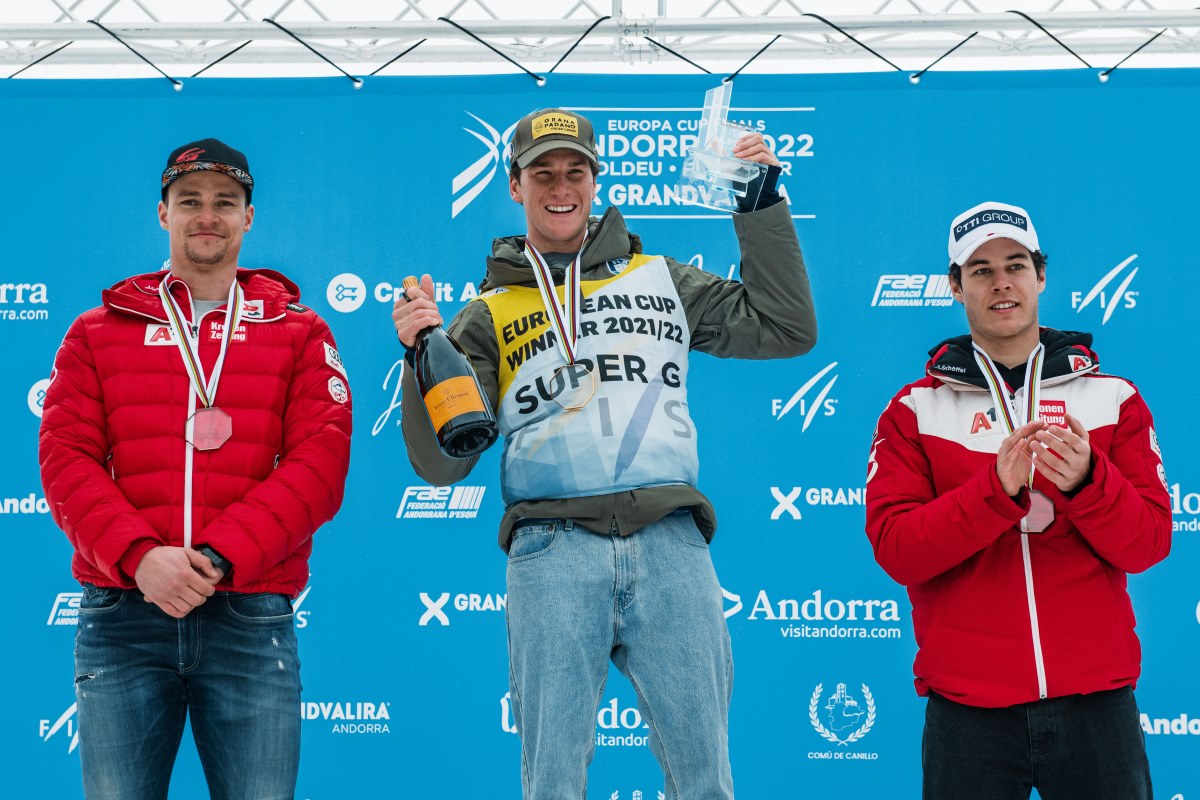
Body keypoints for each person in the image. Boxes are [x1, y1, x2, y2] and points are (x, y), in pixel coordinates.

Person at [393, 108, 816, 798]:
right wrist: (419, 356)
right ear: (514, 186)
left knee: (705, 778)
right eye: (542, 173)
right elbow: (442, 465)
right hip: (551, 550)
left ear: (595, 181)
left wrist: (760, 202)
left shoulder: (662, 279)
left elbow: (787, 327)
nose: (560, 187)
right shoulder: (485, 314)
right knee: (552, 782)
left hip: (670, 541)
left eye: (575, 171)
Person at [39, 138, 353, 800]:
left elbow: (319, 465)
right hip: (121, 612)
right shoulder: (97, 331)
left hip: (248, 611)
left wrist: (216, 555)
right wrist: (140, 557)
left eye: (224, 202)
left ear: (249, 218)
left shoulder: (301, 332)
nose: (206, 216)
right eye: (190, 202)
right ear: (163, 215)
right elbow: (66, 458)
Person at [864, 201, 1170, 799]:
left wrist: (1088, 482)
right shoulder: (915, 410)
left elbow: (1149, 543)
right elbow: (899, 551)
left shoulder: (1112, 399)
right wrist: (992, 493)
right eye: (979, 270)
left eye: (1015, 264)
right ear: (955, 287)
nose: (1001, 281)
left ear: (1041, 277)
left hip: (1096, 700)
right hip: (968, 708)